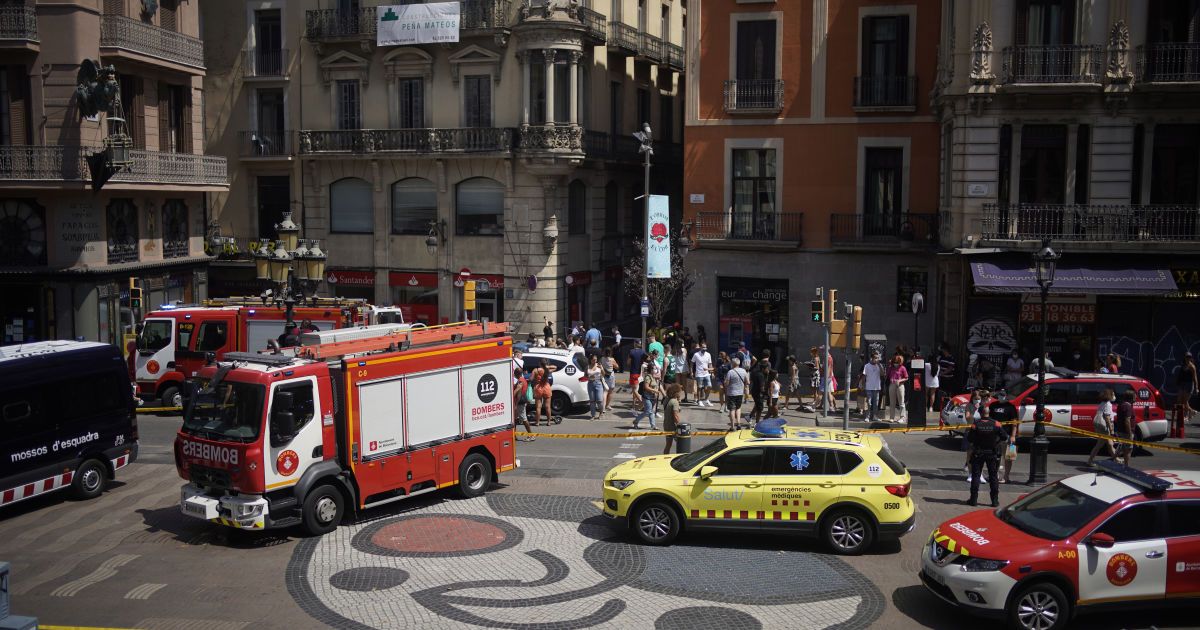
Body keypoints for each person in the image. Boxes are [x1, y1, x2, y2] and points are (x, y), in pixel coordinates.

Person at [965, 403, 1008, 507]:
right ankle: (994, 501)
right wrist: (996, 441)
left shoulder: (976, 424)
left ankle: (973, 500)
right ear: (989, 413)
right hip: (992, 453)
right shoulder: (996, 424)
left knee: (976, 476)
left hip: (978, 453)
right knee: (993, 476)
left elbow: (970, 438)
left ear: (980, 413)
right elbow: (1004, 436)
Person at [1087, 388, 1117, 466]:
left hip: (1100, 426)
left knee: (1109, 444)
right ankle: (1090, 461)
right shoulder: (1108, 404)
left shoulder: (1102, 403)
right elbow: (1107, 417)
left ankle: (1116, 459)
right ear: (1109, 395)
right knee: (1101, 444)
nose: (1114, 396)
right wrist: (1111, 430)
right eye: (1113, 394)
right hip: (1105, 427)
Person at [633, 361, 661, 430]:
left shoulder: (653, 377)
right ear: (650, 370)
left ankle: (653, 425)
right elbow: (646, 387)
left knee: (651, 412)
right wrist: (655, 391)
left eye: (655, 369)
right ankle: (636, 421)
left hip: (652, 397)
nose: (655, 370)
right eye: (654, 369)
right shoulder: (648, 377)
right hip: (647, 397)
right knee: (648, 411)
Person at [724, 357, 749, 431]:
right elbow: (747, 382)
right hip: (740, 393)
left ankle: (732, 426)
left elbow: (727, 383)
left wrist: (725, 382)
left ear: (733, 364)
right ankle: (738, 424)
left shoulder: (730, 372)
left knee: (732, 409)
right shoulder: (743, 371)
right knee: (738, 408)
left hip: (731, 393)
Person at [530, 359, 557, 426]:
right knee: (547, 406)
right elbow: (555, 367)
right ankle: (548, 422)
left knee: (538, 407)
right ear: (545, 364)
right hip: (546, 387)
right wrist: (547, 366)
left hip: (538, 388)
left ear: (539, 363)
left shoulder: (535, 370)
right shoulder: (547, 370)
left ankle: (537, 422)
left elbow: (531, 379)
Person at [860, 352, 885, 422]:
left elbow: (883, 374)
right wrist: (863, 385)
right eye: (875, 358)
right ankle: (867, 416)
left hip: (876, 387)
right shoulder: (867, 366)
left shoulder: (879, 365)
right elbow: (864, 376)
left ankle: (875, 416)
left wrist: (879, 365)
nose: (877, 359)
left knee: (876, 403)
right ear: (872, 358)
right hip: (869, 387)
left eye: (877, 358)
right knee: (869, 402)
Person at [1113, 390, 1135, 467]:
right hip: (1126, 432)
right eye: (1134, 396)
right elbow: (1127, 421)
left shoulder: (1121, 405)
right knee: (1128, 449)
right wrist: (1129, 433)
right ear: (1131, 397)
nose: (1135, 398)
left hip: (1120, 430)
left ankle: (1114, 459)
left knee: (1122, 447)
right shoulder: (1128, 406)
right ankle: (1127, 466)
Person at [512, 367, 534, 441]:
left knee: (524, 419)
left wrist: (513, 398)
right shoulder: (523, 379)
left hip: (519, 403)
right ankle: (514, 435)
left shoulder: (520, 381)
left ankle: (531, 435)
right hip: (519, 402)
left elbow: (518, 390)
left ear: (516, 373)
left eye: (514, 373)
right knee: (514, 420)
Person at [887, 354, 908, 423]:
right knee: (892, 402)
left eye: (897, 362)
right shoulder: (891, 367)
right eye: (895, 362)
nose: (896, 364)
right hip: (892, 384)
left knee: (901, 402)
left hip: (900, 385)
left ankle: (903, 417)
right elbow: (887, 375)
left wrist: (900, 380)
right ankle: (891, 417)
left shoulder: (903, 368)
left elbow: (906, 377)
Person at [691, 342, 714, 407]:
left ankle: (706, 399)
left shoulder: (708, 354)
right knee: (699, 387)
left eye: (705, 347)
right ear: (700, 347)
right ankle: (699, 401)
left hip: (706, 373)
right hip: (699, 374)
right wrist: (691, 372)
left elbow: (710, 364)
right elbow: (692, 363)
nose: (705, 349)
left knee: (709, 386)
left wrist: (712, 372)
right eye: (703, 347)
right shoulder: (696, 354)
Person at [662, 384, 683, 454]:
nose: (680, 394)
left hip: (666, 425)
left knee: (668, 444)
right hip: (673, 427)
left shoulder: (667, 399)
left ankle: (664, 457)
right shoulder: (674, 401)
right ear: (676, 392)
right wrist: (680, 426)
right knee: (682, 443)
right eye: (680, 392)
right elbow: (675, 415)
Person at [1177, 352, 1198, 419]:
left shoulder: (1192, 366)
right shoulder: (1183, 365)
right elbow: (1180, 374)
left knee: (1185, 401)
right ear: (1185, 357)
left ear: (1191, 358)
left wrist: (1196, 388)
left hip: (1189, 384)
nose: (1188, 358)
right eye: (1187, 357)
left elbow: (1195, 377)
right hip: (1182, 384)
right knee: (1179, 400)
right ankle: (1192, 411)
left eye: (1189, 357)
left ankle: (1186, 415)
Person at [748, 354, 767, 422]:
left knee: (757, 405)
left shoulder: (755, 372)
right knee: (760, 408)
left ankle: (749, 416)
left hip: (754, 391)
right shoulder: (761, 376)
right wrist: (765, 393)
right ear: (763, 369)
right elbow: (762, 387)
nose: (767, 370)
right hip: (758, 393)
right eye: (767, 368)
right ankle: (757, 422)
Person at [586, 354, 605, 420]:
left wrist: (601, 369)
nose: (595, 361)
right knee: (592, 401)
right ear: (590, 360)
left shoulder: (599, 366)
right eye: (593, 360)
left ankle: (601, 413)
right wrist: (589, 377)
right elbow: (585, 375)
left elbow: (603, 374)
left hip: (598, 383)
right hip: (590, 384)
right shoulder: (587, 366)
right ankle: (593, 415)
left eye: (596, 359)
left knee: (599, 400)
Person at [628, 340, 646, 406]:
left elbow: (628, 363)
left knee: (634, 390)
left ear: (635, 343)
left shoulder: (631, 351)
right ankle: (634, 404)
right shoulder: (643, 352)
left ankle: (641, 403)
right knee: (636, 389)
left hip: (633, 372)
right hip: (640, 373)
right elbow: (646, 360)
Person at [601, 347, 618, 412]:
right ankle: (607, 405)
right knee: (610, 391)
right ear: (610, 352)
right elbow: (617, 367)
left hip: (604, 375)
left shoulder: (602, 358)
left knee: (604, 391)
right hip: (611, 376)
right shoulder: (612, 359)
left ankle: (603, 405)